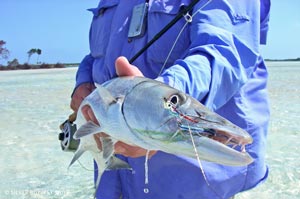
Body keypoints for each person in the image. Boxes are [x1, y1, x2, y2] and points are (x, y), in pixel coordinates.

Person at [70, 0, 271, 198]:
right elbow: (97, 55)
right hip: (111, 178)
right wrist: (83, 81)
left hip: (187, 181)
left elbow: (224, 51)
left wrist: (160, 101)